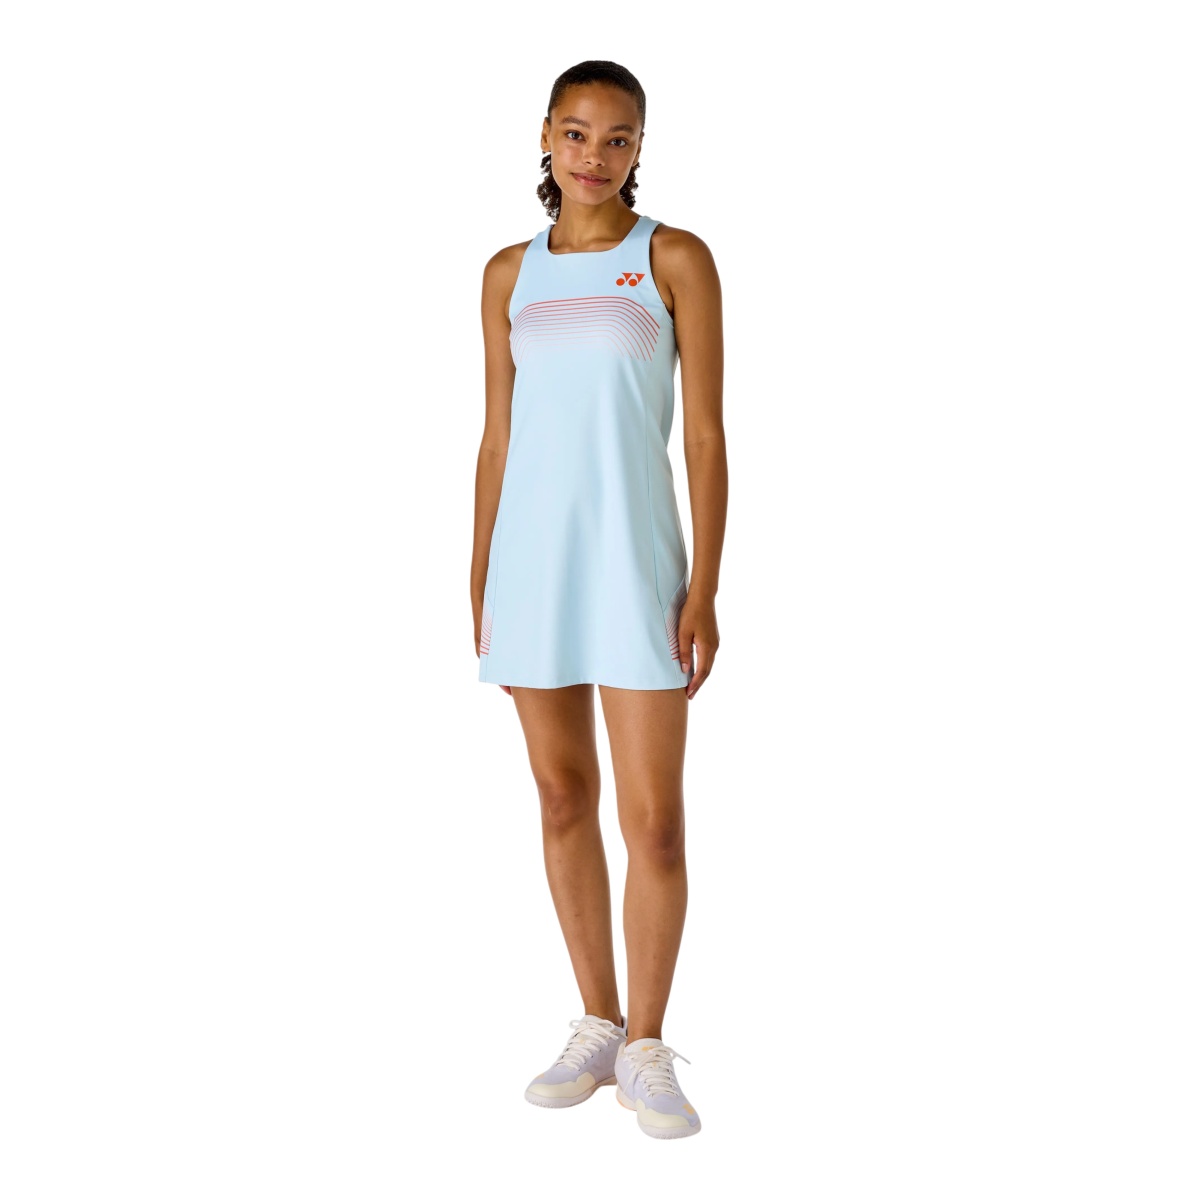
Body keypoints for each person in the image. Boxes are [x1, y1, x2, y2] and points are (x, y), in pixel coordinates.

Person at [470, 60, 727, 1141]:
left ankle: (648, 1048)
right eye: (576, 133)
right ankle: (597, 1019)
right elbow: (497, 437)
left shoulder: (673, 259)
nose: (594, 155)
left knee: (654, 823)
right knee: (562, 796)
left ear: (639, 149)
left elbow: (705, 435)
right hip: (533, 567)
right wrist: (479, 578)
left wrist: (704, 586)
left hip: (636, 566)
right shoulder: (507, 272)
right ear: (546, 135)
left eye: (617, 138)